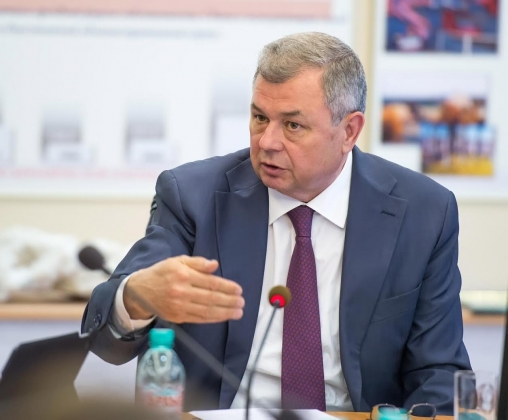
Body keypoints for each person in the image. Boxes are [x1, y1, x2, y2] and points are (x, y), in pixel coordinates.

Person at [82, 32, 470, 414]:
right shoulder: (193, 197)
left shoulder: (423, 213)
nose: (267, 141)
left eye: (292, 125)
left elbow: (438, 372)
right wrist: (136, 296)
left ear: (349, 131)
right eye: (259, 118)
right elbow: (104, 343)